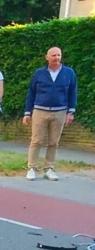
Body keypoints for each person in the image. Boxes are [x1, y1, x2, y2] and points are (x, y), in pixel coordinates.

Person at [23, 46, 77, 181]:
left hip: (60, 111)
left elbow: (73, 92)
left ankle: (49, 169)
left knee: (53, 142)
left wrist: (71, 111)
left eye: (58, 55)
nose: (56, 58)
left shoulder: (69, 73)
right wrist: (27, 112)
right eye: (53, 55)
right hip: (40, 110)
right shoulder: (39, 73)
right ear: (47, 57)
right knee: (36, 141)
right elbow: (31, 92)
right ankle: (31, 168)